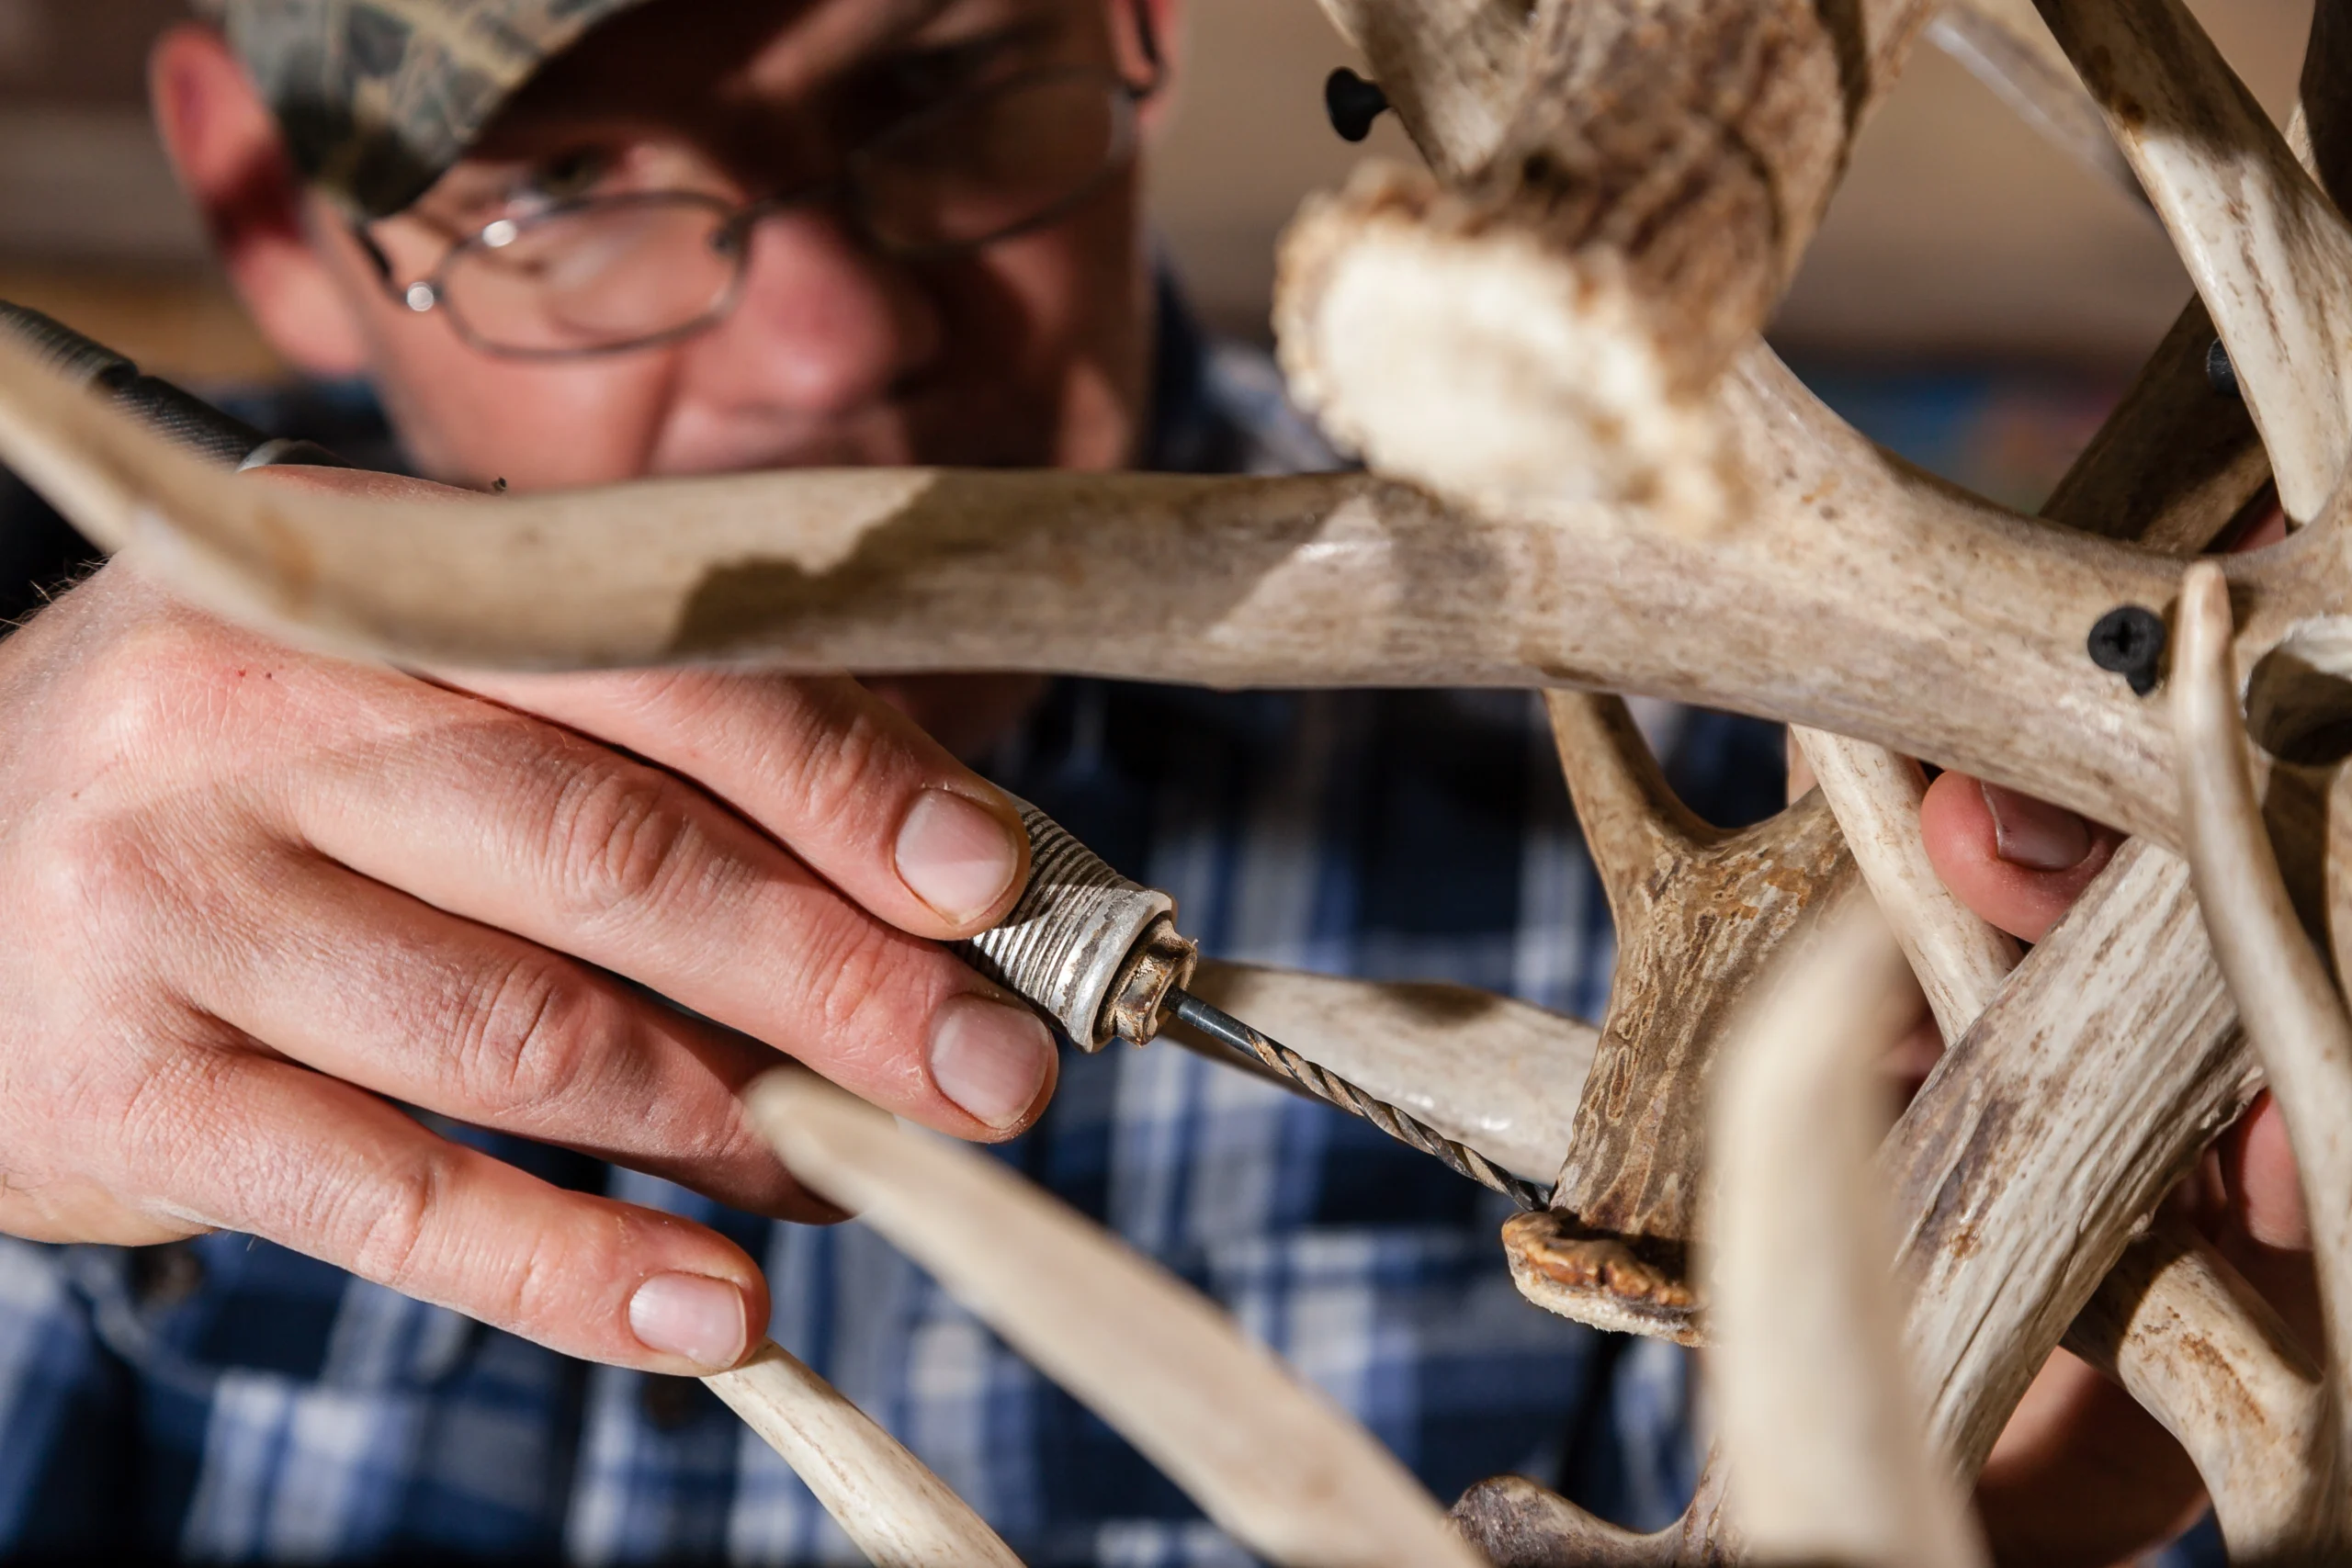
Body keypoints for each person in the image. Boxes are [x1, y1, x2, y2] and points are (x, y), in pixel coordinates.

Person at [0, 0, 2310, 1561]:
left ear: (1134, 26)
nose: (840, 334)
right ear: (272, 209)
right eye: (575, 183)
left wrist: (2032, 1438)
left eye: (943, 85)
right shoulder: (67, 873)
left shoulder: (1809, 810)